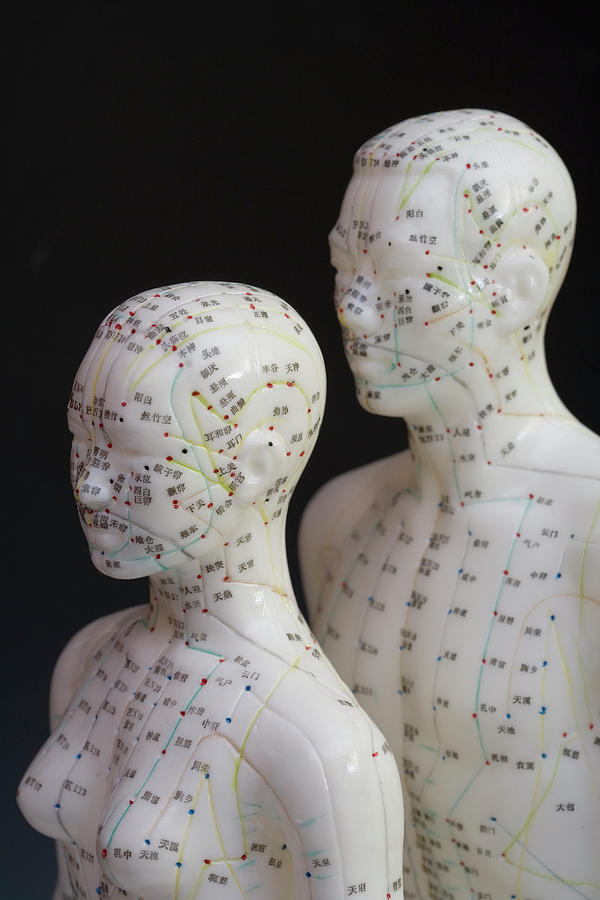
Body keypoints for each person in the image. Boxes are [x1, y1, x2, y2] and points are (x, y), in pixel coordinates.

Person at [18, 281, 404, 900]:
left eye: (129, 453)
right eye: (82, 440)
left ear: (254, 466)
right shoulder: (88, 658)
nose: (90, 485)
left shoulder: (326, 748)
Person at [299, 110, 600, 900]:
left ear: (516, 290)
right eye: (343, 268)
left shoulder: (591, 529)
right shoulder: (336, 519)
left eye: (398, 278)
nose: (354, 311)